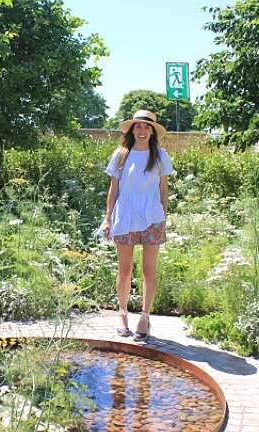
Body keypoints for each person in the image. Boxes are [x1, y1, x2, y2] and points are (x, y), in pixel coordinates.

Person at [101, 109, 174, 342]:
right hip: (125, 218)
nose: (142, 131)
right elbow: (114, 190)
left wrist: (164, 218)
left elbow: (164, 189)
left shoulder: (160, 156)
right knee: (124, 270)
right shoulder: (121, 155)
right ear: (132, 130)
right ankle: (122, 314)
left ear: (153, 132)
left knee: (149, 270)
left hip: (152, 218)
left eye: (147, 127)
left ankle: (145, 316)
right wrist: (107, 217)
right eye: (138, 127)